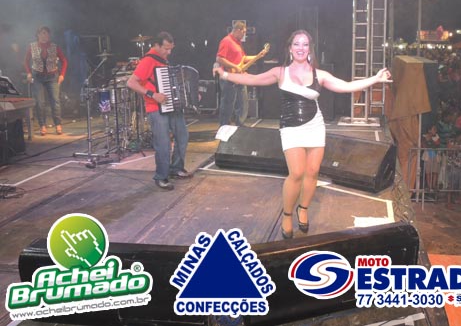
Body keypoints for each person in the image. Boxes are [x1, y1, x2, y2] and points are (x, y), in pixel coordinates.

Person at [214, 29, 391, 239]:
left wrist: (375, 78)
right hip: (290, 128)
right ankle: (287, 214)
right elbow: (252, 79)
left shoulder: (320, 74)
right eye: (297, 44)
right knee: (297, 173)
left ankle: (303, 209)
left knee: (313, 172)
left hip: (315, 126)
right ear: (290, 48)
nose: (301, 48)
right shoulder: (280, 72)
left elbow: (347, 86)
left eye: (305, 44)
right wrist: (224, 74)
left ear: (310, 49)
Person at [127, 32, 191, 191]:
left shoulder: (163, 60)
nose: (169, 52)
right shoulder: (148, 60)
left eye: (171, 49)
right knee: (163, 144)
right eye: (166, 49)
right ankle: (161, 176)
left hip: (171, 106)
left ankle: (176, 168)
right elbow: (131, 83)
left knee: (182, 136)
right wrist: (152, 94)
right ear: (156, 45)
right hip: (155, 108)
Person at [216, 21, 268, 126]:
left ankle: (240, 124)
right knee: (228, 103)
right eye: (243, 32)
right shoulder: (226, 41)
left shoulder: (238, 43)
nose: (244, 35)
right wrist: (235, 66)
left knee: (243, 102)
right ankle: (224, 125)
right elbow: (219, 59)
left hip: (240, 76)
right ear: (237, 30)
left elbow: (243, 58)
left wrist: (258, 56)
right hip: (229, 76)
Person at [24, 26, 68, 136]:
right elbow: (26, 61)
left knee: (55, 101)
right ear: (38, 35)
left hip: (52, 76)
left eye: (47, 33)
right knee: (40, 102)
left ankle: (58, 124)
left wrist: (62, 75)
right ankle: (42, 125)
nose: (45, 35)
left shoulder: (54, 47)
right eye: (43, 33)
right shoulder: (32, 46)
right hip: (37, 76)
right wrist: (29, 73)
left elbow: (64, 61)